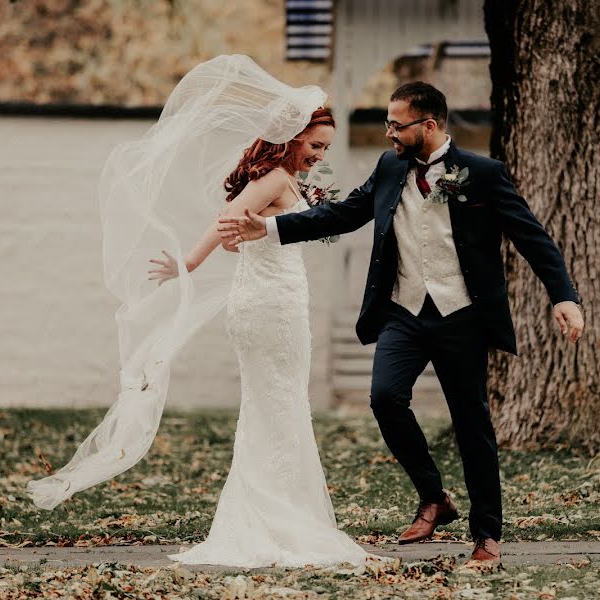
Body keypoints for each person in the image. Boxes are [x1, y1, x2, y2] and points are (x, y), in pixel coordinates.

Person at [27, 55, 378, 569]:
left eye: (323, 148)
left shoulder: (285, 181)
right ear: (289, 136)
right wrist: (188, 262)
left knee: (277, 405)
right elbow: (228, 221)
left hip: (276, 300)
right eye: (314, 145)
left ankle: (281, 512)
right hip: (268, 308)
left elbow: (243, 238)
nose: (317, 155)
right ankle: (275, 518)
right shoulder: (276, 179)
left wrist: (252, 241)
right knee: (276, 405)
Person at [219, 81, 585, 566]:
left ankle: (487, 536)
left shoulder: (483, 174)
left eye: (397, 124)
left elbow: (532, 237)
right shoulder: (391, 166)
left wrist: (564, 296)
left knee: (472, 422)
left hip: (462, 316)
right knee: (385, 398)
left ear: (428, 126)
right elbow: (347, 214)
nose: (389, 131)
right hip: (402, 312)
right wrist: (270, 227)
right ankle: (434, 496)